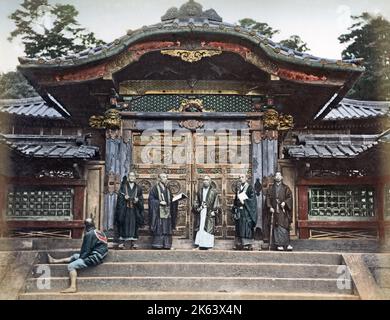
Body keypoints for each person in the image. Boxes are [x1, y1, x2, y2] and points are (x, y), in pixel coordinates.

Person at [47, 218, 108, 293]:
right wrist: (80, 257)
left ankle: (73, 287)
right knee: (75, 256)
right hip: (100, 255)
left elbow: (86, 250)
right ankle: (54, 261)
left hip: (94, 258)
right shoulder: (99, 232)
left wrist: (81, 259)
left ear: (86, 226)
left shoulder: (89, 234)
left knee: (71, 266)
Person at [114, 172, 144, 249]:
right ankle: (122, 243)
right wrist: (124, 199)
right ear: (128, 177)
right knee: (123, 223)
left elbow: (141, 198)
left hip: (134, 209)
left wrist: (138, 201)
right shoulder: (123, 187)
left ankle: (133, 243)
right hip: (125, 209)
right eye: (130, 176)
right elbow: (120, 197)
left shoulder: (138, 188)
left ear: (135, 178)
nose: (132, 177)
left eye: (133, 176)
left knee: (134, 225)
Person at [148, 173, 178, 249]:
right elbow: (151, 200)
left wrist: (176, 200)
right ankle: (158, 244)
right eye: (163, 177)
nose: (165, 179)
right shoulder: (154, 189)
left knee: (167, 228)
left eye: (166, 177)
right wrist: (159, 202)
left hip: (167, 212)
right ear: (159, 179)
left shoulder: (168, 190)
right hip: (159, 213)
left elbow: (170, 200)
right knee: (159, 229)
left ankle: (167, 245)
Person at [265, 171, 293, 251]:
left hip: (283, 210)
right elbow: (268, 198)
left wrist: (285, 202)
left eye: (279, 175)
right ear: (274, 178)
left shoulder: (286, 188)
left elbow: (289, 197)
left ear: (282, 178)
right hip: (274, 210)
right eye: (276, 175)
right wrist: (270, 207)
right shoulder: (271, 188)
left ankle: (287, 244)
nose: (277, 177)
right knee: (277, 227)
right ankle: (279, 245)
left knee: (285, 226)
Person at [193, 175, 220, 250]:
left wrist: (214, 211)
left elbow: (216, 202)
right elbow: (196, 201)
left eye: (207, 180)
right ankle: (199, 245)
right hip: (201, 211)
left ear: (210, 181)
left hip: (209, 212)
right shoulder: (200, 191)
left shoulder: (214, 191)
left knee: (209, 229)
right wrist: (199, 207)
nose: (205, 181)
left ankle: (209, 245)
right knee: (200, 228)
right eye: (204, 180)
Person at [232, 174, 257, 250]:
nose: (240, 179)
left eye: (242, 177)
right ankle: (239, 243)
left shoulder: (250, 188)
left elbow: (252, 200)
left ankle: (247, 244)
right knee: (239, 226)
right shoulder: (239, 188)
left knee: (246, 226)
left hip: (246, 211)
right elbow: (236, 200)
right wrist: (235, 206)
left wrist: (245, 201)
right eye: (239, 177)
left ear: (246, 178)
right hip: (240, 211)